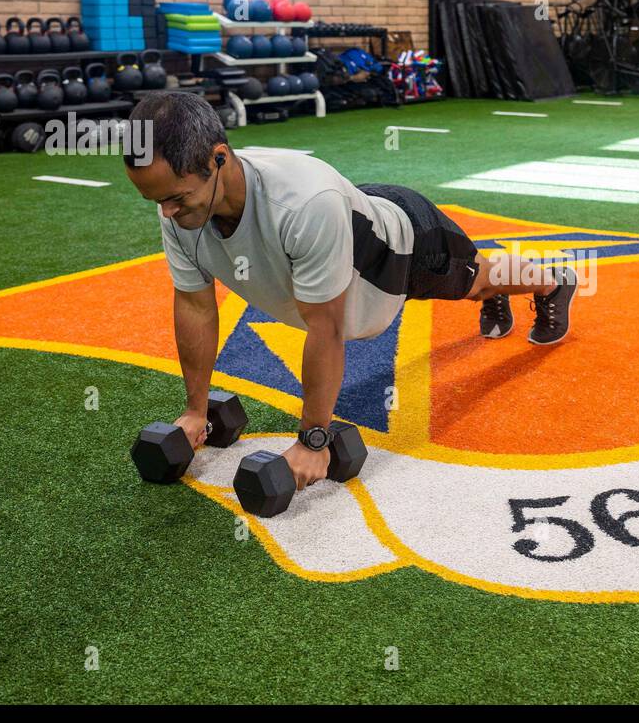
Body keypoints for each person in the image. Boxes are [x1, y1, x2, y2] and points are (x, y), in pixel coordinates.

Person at [123, 92, 577, 491]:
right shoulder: (179, 209)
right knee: (476, 282)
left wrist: (314, 439)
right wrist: (195, 411)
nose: (165, 212)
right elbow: (195, 306)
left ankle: (554, 282)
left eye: (177, 197)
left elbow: (326, 326)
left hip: (404, 246)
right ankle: (494, 290)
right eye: (155, 200)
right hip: (347, 220)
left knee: (477, 280)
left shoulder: (301, 204)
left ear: (218, 157)